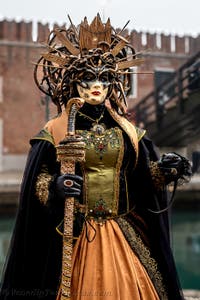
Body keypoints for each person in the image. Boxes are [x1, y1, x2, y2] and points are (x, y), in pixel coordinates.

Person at [0, 15, 192, 300]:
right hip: (74, 232)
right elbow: (38, 181)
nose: (97, 85)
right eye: (89, 77)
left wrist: (167, 170)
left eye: (104, 77)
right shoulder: (55, 131)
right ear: (75, 82)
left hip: (122, 232)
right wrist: (56, 186)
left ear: (113, 83)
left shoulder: (129, 132)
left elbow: (140, 178)